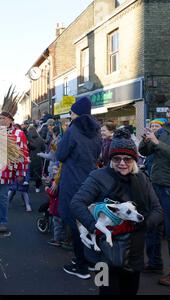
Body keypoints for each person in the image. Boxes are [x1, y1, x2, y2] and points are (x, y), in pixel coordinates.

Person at [70, 129, 163, 295]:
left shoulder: (142, 179)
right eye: (116, 158)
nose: (122, 163)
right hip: (103, 257)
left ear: (134, 160)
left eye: (127, 159)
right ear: (110, 159)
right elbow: (77, 203)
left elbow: (157, 209)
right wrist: (95, 227)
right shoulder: (98, 176)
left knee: (130, 292)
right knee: (105, 292)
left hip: (134, 253)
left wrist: (142, 225)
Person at [56, 97, 102, 279]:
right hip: (90, 180)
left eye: (72, 112)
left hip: (72, 180)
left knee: (74, 221)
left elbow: (60, 154)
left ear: (76, 113)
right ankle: (90, 260)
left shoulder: (73, 129)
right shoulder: (97, 130)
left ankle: (81, 264)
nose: (70, 115)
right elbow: (97, 154)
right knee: (88, 219)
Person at [139, 98, 170, 286]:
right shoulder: (162, 131)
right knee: (152, 225)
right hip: (156, 185)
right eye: (169, 112)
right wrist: (146, 140)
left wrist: (158, 143)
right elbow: (145, 152)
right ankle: (154, 262)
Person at [0, 111, 29, 234]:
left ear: (10, 120)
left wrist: (20, 172)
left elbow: (22, 154)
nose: (1, 120)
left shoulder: (18, 134)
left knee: (3, 198)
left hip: (5, 172)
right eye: (0, 118)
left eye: (3, 118)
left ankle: (3, 222)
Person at [26, 126, 46, 193]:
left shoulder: (27, 139)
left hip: (29, 158)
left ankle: (26, 188)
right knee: (38, 173)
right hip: (38, 158)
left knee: (28, 173)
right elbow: (43, 148)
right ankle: (37, 188)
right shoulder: (40, 139)